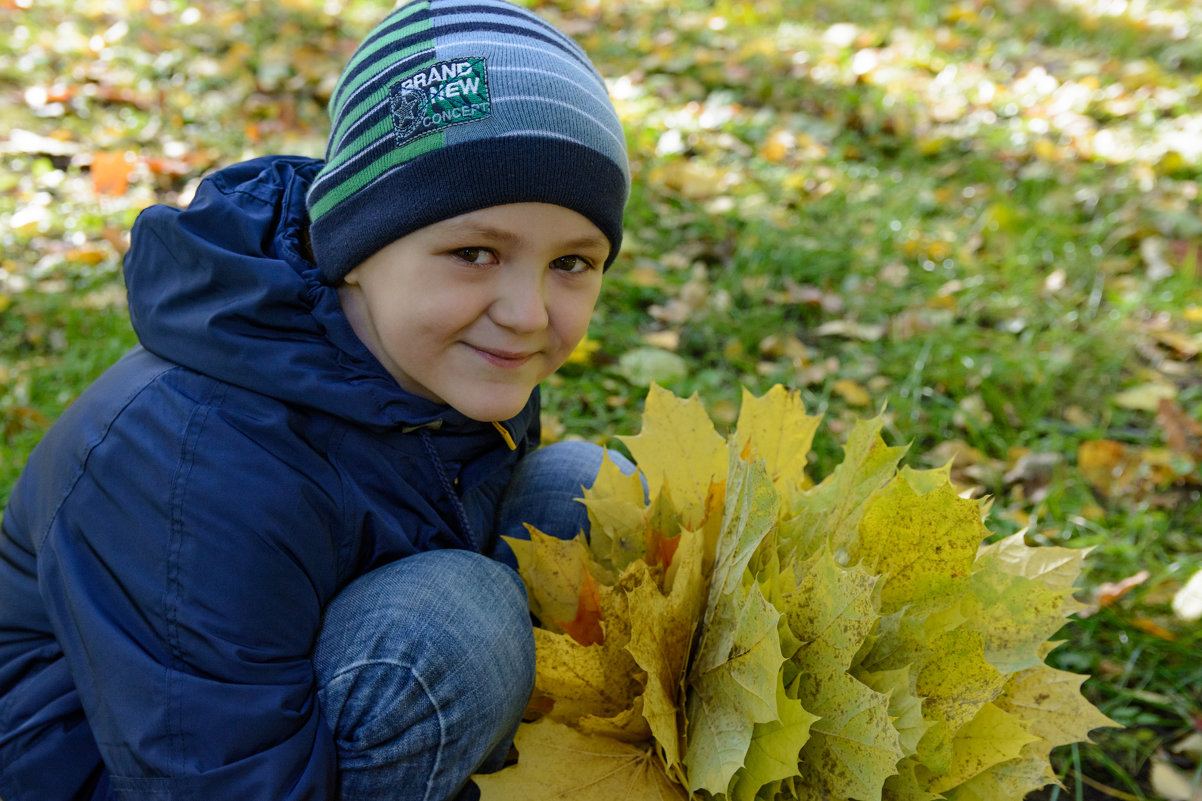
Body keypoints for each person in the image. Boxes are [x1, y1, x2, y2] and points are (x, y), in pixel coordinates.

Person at [0, 1, 633, 798]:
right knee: (452, 625)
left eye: (572, 263)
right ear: (354, 246)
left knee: (582, 494)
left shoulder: (444, 356)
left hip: (273, 696)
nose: (528, 312)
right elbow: (211, 776)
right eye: (475, 252)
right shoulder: (197, 461)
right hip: (97, 767)